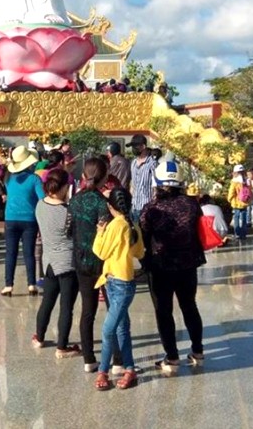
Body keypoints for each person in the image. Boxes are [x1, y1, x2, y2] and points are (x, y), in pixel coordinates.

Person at [140, 160, 206, 375]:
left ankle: (172, 356)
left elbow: (143, 238)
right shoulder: (192, 204)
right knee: (189, 306)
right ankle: (197, 351)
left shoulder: (151, 209)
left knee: (164, 311)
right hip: (188, 265)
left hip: (160, 268)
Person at [66, 156, 124, 373]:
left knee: (87, 311)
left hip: (81, 261)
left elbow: (68, 230)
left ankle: (89, 359)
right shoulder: (104, 204)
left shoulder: (74, 201)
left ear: (83, 176)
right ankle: (117, 360)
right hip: (105, 262)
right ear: (106, 179)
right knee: (113, 311)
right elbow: (110, 233)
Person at [91, 187, 144, 391]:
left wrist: (100, 233)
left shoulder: (116, 226)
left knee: (108, 329)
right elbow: (139, 252)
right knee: (121, 327)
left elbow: (101, 252)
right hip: (122, 280)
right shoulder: (132, 225)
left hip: (116, 283)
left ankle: (103, 370)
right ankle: (129, 367)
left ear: (110, 206)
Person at [33, 169, 80, 357]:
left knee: (47, 301)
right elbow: (74, 235)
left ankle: (40, 337)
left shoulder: (39, 205)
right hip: (67, 262)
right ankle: (62, 347)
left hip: (49, 261)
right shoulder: (68, 211)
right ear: (62, 188)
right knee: (66, 307)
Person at [0, 145, 44, 294]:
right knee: (28, 253)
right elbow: (42, 199)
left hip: (10, 218)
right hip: (29, 219)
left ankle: (8, 285)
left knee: (10, 253)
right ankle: (31, 284)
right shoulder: (34, 179)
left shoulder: (8, 178)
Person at [127, 134, 157, 222]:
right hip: (134, 207)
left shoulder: (153, 164)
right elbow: (133, 185)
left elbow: (156, 187)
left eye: (135, 146)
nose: (133, 149)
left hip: (147, 208)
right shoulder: (133, 163)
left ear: (143, 146)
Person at [227, 165, 251, 241]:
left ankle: (237, 234)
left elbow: (231, 192)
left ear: (235, 172)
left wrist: (229, 200)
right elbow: (250, 191)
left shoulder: (234, 181)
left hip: (236, 203)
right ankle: (243, 234)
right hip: (244, 203)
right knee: (244, 219)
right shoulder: (247, 181)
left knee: (236, 218)